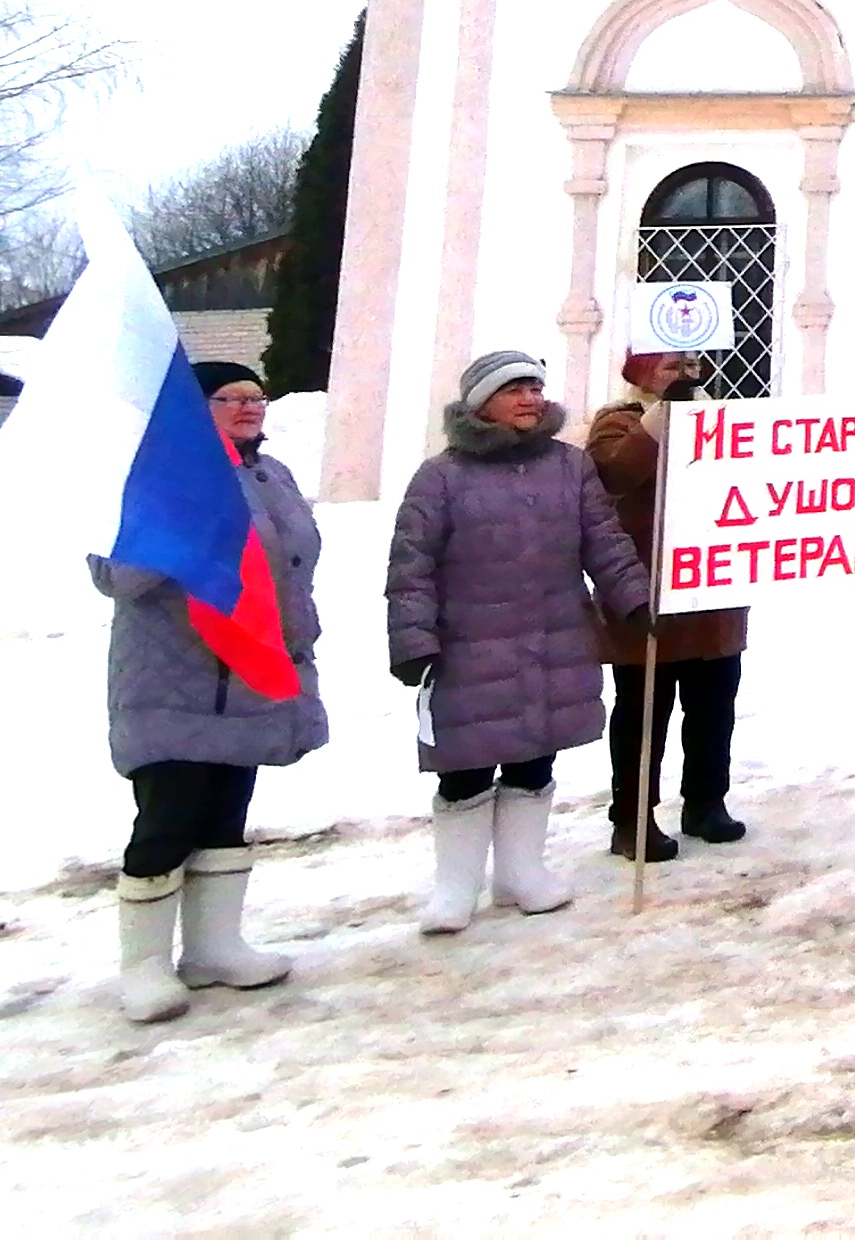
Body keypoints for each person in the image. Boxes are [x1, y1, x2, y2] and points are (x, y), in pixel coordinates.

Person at [386, 349, 651, 934]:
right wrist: (412, 639)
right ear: (482, 403)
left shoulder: (568, 466)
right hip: (468, 645)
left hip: (553, 635)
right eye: (515, 390)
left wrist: (632, 595)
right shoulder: (442, 477)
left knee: (535, 755)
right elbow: (411, 566)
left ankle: (521, 871)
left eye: (534, 387)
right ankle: (456, 886)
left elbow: (602, 540)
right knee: (466, 766)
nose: (530, 398)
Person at [95, 360, 327, 1024]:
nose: (251, 408)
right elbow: (117, 576)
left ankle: (214, 948)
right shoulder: (152, 475)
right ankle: (143, 965)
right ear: (195, 410)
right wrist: (180, 516)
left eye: (258, 397)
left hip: (252, 673)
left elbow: (293, 564)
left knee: (226, 813)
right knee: (168, 820)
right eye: (233, 398)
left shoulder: (271, 474)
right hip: (175, 680)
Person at [588, 349, 747, 862]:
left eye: (690, 367)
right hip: (646, 591)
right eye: (669, 367)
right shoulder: (617, 422)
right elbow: (615, 475)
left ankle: (706, 800)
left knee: (713, 706)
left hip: (713, 591)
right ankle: (631, 817)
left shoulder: (720, 416)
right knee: (643, 711)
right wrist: (663, 418)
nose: (682, 376)